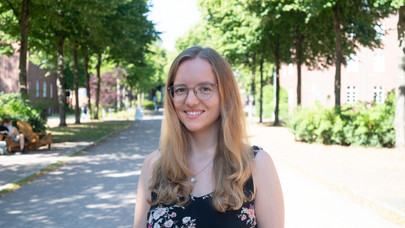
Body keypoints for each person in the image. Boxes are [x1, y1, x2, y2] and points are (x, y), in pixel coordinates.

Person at [133, 46, 284, 228]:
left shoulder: (256, 165)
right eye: (181, 90)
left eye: (204, 88)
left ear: (225, 94)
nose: (191, 100)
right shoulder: (154, 165)